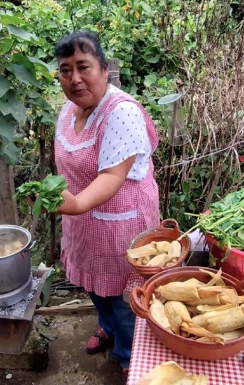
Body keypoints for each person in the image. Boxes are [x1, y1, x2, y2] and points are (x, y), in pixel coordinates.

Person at [52, 31, 160, 379]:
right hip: (83, 220)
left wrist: (77, 202)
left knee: (123, 296)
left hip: (121, 224)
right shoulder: (69, 110)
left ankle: (131, 352)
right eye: (66, 70)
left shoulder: (122, 111)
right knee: (95, 286)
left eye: (84, 67)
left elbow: (113, 176)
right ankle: (109, 330)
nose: (75, 78)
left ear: (102, 68)